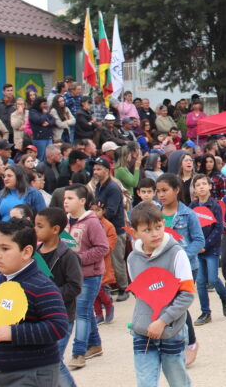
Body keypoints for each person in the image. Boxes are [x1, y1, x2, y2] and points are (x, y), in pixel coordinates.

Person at [0, 219, 69, 386]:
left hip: (33, 373)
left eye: (5, 249)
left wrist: (14, 333)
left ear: (26, 252)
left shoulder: (42, 286)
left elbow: (58, 326)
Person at [128, 203, 195, 387]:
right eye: (147, 230)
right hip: (142, 330)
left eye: (158, 227)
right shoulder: (132, 259)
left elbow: (187, 294)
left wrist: (162, 321)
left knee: (178, 381)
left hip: (171, 330)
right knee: (145, 382)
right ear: (135, 233)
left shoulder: (177, 254)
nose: (155, 233)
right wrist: (145, 321)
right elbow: (140, 294)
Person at [155, 174, 204, 366]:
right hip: (161, 269)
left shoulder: (188, 214)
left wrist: (181, 257)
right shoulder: (155, 215)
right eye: (158, 191)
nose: (161, 195)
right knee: (166, 305)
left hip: (185, 268)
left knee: (178, 304)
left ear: (176, 190)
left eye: (165, 190)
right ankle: (173, 343)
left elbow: (199, 240)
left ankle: (190, 343)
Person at [35, 207, 83, 387]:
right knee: (45, 360)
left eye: (40, 226)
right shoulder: (35, 253)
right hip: (41, 317)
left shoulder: (68, 256)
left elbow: (75, 286)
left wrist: (50, 297)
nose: (35, 230)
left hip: (62, 316)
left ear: (55, 229)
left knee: (53, 360)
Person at [63, 185, 109, 371]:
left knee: (80, 311)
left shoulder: (91, 222)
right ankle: (95, 344)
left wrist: (78, 259)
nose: (65, 201)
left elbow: (102, 248)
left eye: (70, 198)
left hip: (90, 275)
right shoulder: (65, 222)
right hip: (72, 276)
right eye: (65, 198)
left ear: (82, 201)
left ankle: (78, 352)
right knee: (86, 311)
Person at [190, 174, 226, 324]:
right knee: (200, 281)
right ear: (194, 189)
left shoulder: (214, 205)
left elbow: (218, 227)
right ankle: (205, 313)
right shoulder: (192, 207)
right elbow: (190, 228)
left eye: (203, 184)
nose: (201, 187)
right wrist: (195, 245)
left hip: (211, 248)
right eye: (197, 185)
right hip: (198, 250)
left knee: (213, 278)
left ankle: (225, 297)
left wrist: (205, 244)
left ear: (209, 186)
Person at [92, 157, 129, 302]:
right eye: (95, 169)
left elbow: (112, 211)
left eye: (99, 169)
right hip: (102, 228)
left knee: (116, 260)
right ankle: (109, 287)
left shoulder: (113, 187)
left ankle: (124, 288)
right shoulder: (98, 186)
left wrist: (98, 214)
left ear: (107, 171)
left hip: (116, 229)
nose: (95, 171)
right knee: (106, 261)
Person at [0, 165, 46, 229]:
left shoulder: (33, 193)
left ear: (18, 177)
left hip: (24, 233)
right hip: (4, 234)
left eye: (9, 176)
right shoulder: (0, 195)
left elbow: (42, 216)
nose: (5, 179)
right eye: (4, 176)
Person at [28, 97, 55, 161]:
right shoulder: (33, 112)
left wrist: (48, 123)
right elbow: (39, 120)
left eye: (46, 104)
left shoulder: (45, 111)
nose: (45, 106)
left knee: (49, 156)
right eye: (44, 104)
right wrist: (44, 114)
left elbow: (53, 120)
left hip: (48, 137)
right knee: (41, 157)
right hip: (40, 138)